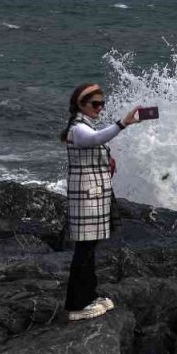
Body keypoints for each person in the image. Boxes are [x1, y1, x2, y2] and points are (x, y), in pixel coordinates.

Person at [60, 82, 147, 321]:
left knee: (90, 248)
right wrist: (124, 122)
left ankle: (89, 295)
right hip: (87, 195)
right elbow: (96, 138)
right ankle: (76, 305)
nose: (99, 108)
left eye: (102, 104)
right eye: (95, 104)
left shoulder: (84, 126)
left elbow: (95, 143)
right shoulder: (78, 128)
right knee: (84, 250)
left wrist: (106, 160)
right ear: (81, 105)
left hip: (94, 194)